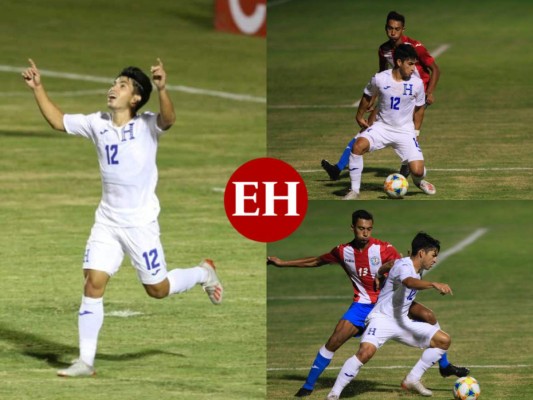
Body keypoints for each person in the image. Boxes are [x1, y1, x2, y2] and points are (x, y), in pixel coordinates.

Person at [22, 58, 223, 377]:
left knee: (157, 289)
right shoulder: (97, 122)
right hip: (107, 222)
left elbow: (169, 119)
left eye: (122, 84)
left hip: (140, 225)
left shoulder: (146, 125)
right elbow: (58, 121)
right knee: (93, 281)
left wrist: (162, 88)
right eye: (114, 82)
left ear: (136, 98)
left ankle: (202, 273)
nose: (113, 87)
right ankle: (85, 362)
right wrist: (38, 88)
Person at [267, 210, 466, 397]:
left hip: (390, 302)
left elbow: (400, 266)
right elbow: (317, 261)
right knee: (335, 342)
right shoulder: (343, 251)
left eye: (369, 229)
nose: (365, 233)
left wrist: (382, 273)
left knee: (429, 316)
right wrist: (283, 263)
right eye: (361, 228)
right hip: (364, 305)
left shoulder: (383, 248)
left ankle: (443, 365)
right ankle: (309, 385)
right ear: (352, 228)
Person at [326, 232, 456, 399]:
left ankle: (412, 379)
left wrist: (379, 275)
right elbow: (408, 281)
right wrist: (433, 284)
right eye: (433, 255)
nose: (435, 260)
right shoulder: (405, 266)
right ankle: (334, 394)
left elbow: (385, 268)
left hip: (402, 322)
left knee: (443, 341)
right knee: (365, 353)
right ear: (422, 253)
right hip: (381, 319)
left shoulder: (414, 267)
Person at [322, 10, 441, 181]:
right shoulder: (384, 49)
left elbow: (435, 69)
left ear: (403, 29)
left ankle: (407, 167)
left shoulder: (415, 47)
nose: (393, 32)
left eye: (397, 29)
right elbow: (382, 73)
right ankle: (339, 167)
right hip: (393, 92)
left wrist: (430, 91)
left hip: (413, 94)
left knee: (406, 129)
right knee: (367, 128)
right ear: (386, 28)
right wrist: (375, 98)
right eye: (390, 28)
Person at [341, 43, 436, 200]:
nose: (414, 69)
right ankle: (354, 190)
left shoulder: (417, 83)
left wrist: (416, 132)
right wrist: (359, 116)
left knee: (418, 170)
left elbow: (419, 110)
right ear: (399, 62)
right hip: (382, 127)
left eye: (415, 64)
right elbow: (367, 96)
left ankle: (419, 181)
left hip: (405, 131)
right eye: (410, 64)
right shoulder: (379, 79)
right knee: (358, 146)